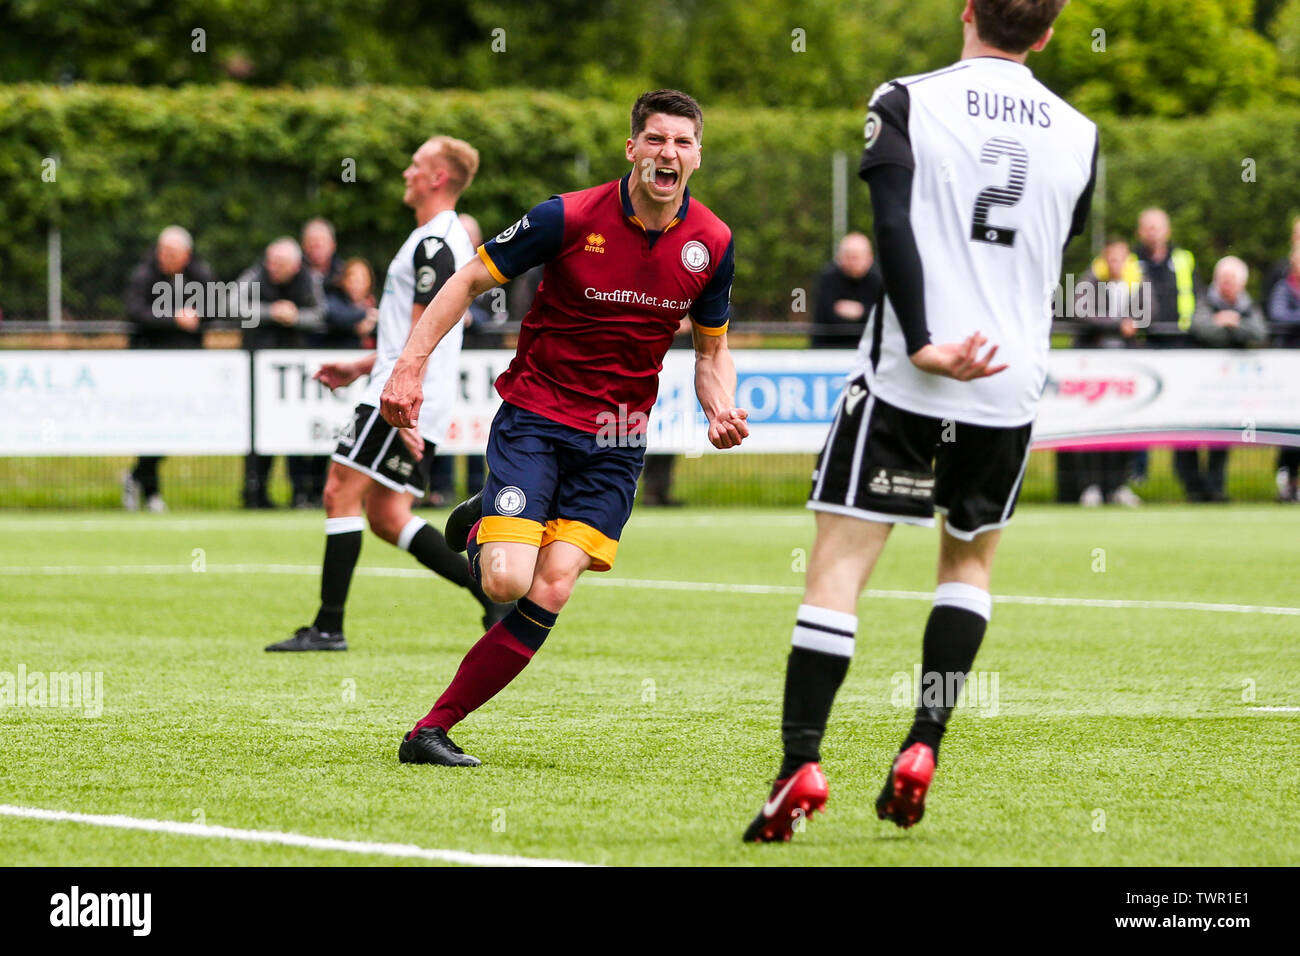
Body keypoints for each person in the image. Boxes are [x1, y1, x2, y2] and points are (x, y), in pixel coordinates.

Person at [742, 0, 1097, 842]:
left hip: (909, 381)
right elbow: (1054, 243)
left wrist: (930, 339)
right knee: (967, 569)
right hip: (1008, 390)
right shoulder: (1080, 132)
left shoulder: (906, 97)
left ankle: (801, 763)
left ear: (967, 12)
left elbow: (893, 224)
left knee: (836, 574)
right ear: (1044, 34)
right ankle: (922, 745)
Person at [380, 89, 748, 767]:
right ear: (632, 148)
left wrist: (719, 408)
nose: (669, 153)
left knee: (552, 587)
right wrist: (409, 367)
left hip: (616, 440)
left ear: (697, 156)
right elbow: (465, 282)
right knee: (505, 582)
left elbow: (712, 352)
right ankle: (492, 515)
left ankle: (429, 730)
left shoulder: (713, 243)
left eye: (683, 143)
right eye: (656, 140)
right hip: (539, 418)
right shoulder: (567, 216)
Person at [266, 136, 509, 652]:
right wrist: (362, 364)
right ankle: (494, 600)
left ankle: (328, 627)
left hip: (398, 396)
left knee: (338, 493)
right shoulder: (438, 238)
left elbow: (426, 325)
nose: (407, 172)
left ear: (438, 177)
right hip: (404, 388)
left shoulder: (435, 243)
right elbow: (416, 330)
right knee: (387, 516)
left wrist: (406, 401)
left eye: (416, 165)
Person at [121, 225, 216, 512]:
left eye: (172, 252)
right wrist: (174, 318)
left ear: (186, 254)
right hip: (150, 363)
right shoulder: (143, 274)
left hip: (187, 365)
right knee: (153, 427)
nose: (165, 257)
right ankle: (151, 491)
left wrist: (198, 315)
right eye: (162, 251)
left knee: (178, 426)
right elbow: (136, 312)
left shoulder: (201, 275)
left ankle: (136, 477)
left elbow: (214, 310)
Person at [1174, 256, 1268, 504]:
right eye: (1223, 280)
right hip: (1197, 384)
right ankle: (1194, 488)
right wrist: (1224, 326)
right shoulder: (1205, 301)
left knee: (1222, 437)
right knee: (1189, 436)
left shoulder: (1246, 306)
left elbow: (1259, 331)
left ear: (1241, 284)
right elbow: (1200, 328)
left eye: (1232, 281)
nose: (1227, 285)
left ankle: (1215, 488)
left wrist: (1233, 323)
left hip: (1227, 388)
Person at [238, 237, 324, 508]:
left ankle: (300, 493)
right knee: (257, 433)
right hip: (257, 366)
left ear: (296, 265)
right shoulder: (254, 275)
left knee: (293, 432)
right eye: (271, 262)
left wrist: (296, 317)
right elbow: (231, 305)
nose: (272, 267)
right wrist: (271, 312)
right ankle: (254, 493)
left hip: (292, 371)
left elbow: (321, 314)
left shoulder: (308, 279)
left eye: (280, 264)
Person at [1068, 237, 1142, 507]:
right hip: (1094, 366)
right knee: (1091, 425)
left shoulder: (1137, 282)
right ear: (1104, 259)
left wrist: (1134, 322)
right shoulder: (1090, 281)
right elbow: (1079, 311)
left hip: (1127, 367)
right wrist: (1116, 325)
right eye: (1111, 258)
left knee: (1124, 425)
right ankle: (1091, 485)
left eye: (1121, 258)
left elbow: (1150, 312)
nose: (1116, 264)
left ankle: (1118, 485)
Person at [810, 232, 883, 348]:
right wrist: (863, 313)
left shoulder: (879, 281)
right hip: (828, 348)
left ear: (869, 258)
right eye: (848, 257)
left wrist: (860, 311)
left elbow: (881, 318)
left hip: (868, 348)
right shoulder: (827, 278)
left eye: (856, 257)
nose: (852, 262)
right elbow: (826, 316)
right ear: (839, 257)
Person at [1267, 244, 1300, 502]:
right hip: (1290, 367)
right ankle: (1287, 477)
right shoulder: (1284, 287)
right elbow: (1279, 315)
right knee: (1290, 428)